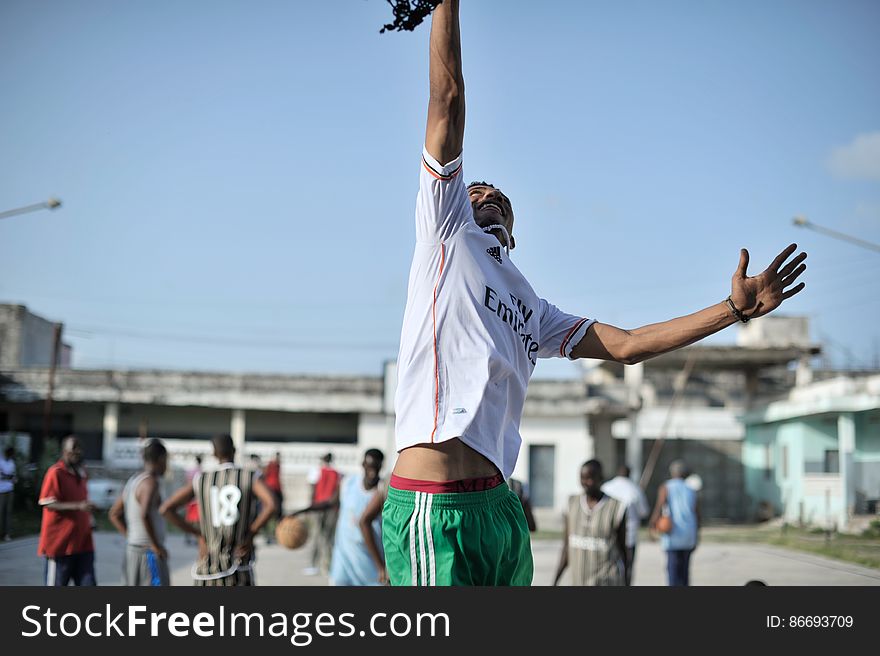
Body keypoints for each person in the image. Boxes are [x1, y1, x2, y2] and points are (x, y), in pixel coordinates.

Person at [382, 0, 807, 586]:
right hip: (436, 503)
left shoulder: (532, 307)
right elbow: (447, 101)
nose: (486, 192)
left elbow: (629, 344)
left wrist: (733, 309)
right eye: (475, 187)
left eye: (498, 195)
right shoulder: (446, 233)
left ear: (515, 229)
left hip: (500, 510)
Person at [160, 434, 276, 586]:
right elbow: (272, 504)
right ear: (234, 451)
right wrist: (251, 534)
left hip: (208, 567)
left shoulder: (202, 480)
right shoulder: (249, 477)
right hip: (238, 564)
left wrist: (199, 535)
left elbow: (166, 509)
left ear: (214, 454)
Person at [294, 449, 386, 585]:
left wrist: (381, 567)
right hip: (344, 560)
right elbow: (330, 502)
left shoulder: (382, 490)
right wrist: (302, 510)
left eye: (376, 467)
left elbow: (368, 523)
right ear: (363, 464)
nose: (372, 471)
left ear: (381, 466)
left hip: (369, 562)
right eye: (369, 466)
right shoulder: (348, 483)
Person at [553, 460, 627, 586]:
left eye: (592, 478)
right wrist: (555, 580)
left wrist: (627, 579)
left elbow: (623, 550)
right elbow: (566, 547)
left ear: (601, 478)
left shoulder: (616, 507)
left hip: (606, 581)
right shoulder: (571, 504)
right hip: (579, 581)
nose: (588, 482)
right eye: (583, 478)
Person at [37, 435, 98, 586]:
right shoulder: (56, 472)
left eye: (79, 448)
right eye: (73, 448)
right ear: (64, 451)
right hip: (60, 545)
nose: (77, 452)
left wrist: (90, 517)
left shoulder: (81, 473)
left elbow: (82, 500)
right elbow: (48, 503)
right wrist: (78, 506)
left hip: (83, 543)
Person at [108, 439, 170, 586]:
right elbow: (144, 514)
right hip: (147, 554)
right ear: (161, 459)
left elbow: (114, 514)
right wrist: (155, 545)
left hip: (133, 551)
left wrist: (131, 536)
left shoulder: (134, 481)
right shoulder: (150, 483)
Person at [650, 460, 700, 587]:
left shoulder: (666, 487)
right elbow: (697, 513)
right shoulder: (691, 489)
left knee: (673, 571)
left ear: (672, 472)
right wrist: (698, 534)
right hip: (689, 533)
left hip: (673, 534)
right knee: (684, 572)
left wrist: (652, 525)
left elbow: (659, 507)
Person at [601, 464, 650, 585]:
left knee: (607, 566)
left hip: (608, 535)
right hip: (629, 536)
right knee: (627, 567)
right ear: (629, 474)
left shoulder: (606, 487)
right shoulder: (634, 490)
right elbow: (644, 512)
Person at [302, 452, 340, 576]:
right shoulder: (337, 473)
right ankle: (328, 566)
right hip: (331, 508)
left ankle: (314, 564)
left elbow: (312, 490)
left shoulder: (316, 471)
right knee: (329, 538)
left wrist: (311, 506)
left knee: (317, 535)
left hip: (319, 507)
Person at [262, 452, 284, 542]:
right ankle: (268, 535)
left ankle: (277, 534)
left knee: (277, 515)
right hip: (271, 490)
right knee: (270, 512)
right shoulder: (271, 465)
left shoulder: (277, 466)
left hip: (276, 490)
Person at [183, 454, 202, 545]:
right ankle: (197, 537)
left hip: (190, 499)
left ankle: (188, 536)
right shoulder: (201, 472)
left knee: (189, 518)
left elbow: (187, 483)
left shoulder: (191, 472)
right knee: (197, 519)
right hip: (198, 499)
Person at [0, 446, 17, 541]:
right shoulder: (0, 461)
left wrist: (12, 478)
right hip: (1, 490)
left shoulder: (12, 463)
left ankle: (7, 534)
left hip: (10, 489)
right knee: (1, 512)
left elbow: (13, 476)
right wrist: (9, 477)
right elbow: (1, 476)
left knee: (8, 512)